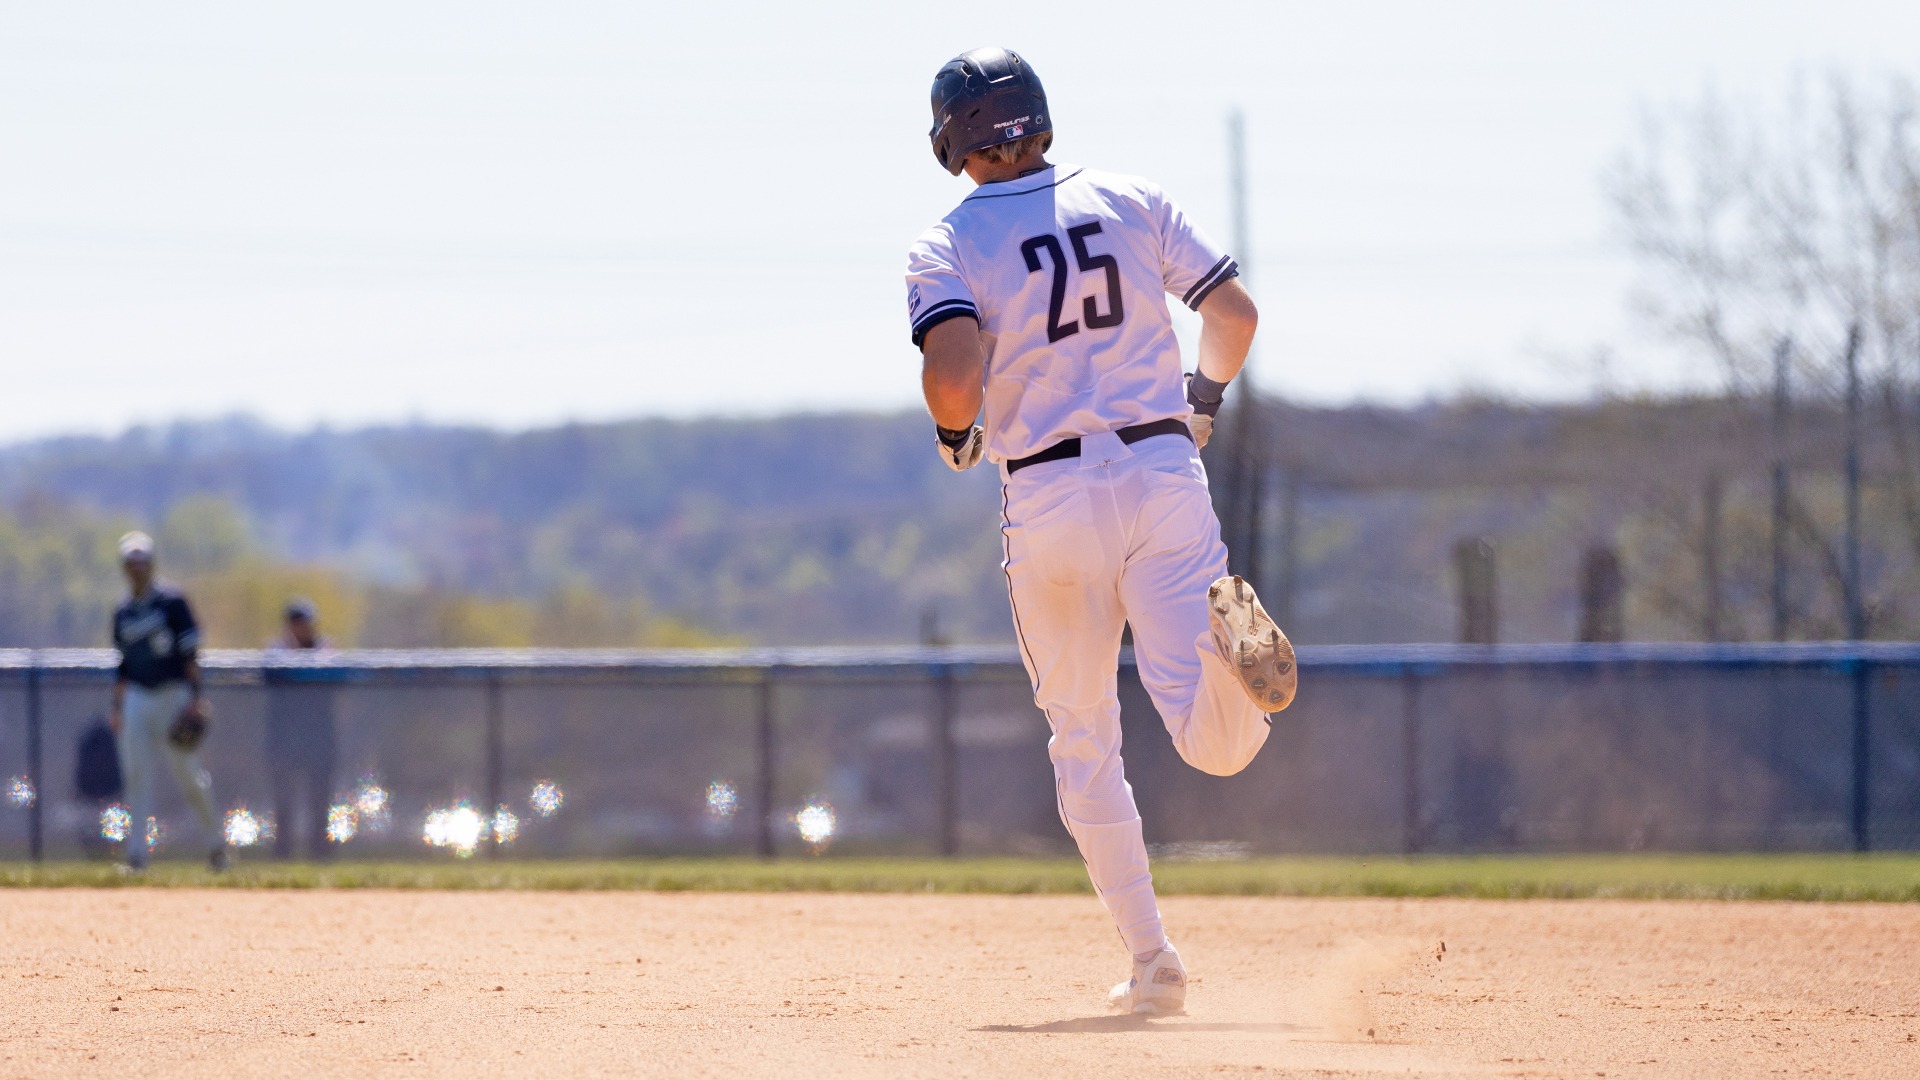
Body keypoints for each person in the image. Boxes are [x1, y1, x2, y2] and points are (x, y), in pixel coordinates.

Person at [907, 47, 1297, 1016]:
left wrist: (957, 432)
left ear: (951, 140)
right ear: (1041, 117)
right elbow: (1234, 314)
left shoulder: (946, 243)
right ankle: (1232, 656)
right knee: (1218, 746)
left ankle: (1154, 961)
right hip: (1164, 469)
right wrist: (1200, 398)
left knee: (1083, 739)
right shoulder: (1130, 196)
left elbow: (955, 373)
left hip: (1049, 494)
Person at [109, 531, 227, 871]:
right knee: (136, 776)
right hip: (137, 696)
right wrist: (117, 707)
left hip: (173, 694)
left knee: (190, 775)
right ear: (124, 567)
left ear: (151, 565)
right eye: (131, 564)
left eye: (141, 563)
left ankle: (217, 848)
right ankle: (136, 856)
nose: (136, 570)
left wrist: (195, 698)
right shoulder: (123, 610)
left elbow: (191, 653)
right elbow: (123, 664)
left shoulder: (172, 602)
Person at [265, 597, 338, 860]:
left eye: (304, 622)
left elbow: (329, 671)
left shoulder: (323, 649)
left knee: (319, 799)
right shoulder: (277, 650)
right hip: (284, 737)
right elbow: (271, 671)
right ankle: (282, 854)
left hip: (319, 737)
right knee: (284, 800)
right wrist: (291, 650)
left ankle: (321, 853)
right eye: (295, 623)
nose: (300, 628)